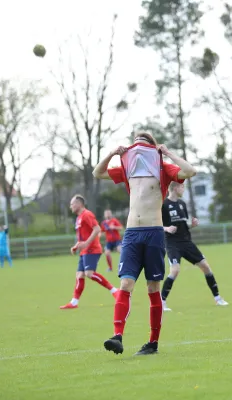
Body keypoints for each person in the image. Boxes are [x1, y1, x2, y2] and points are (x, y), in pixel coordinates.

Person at [92, 132, 196, 356]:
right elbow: (97, 173)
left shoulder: (163, 169)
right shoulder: (128, 169)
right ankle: (117, 336)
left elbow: (189, 171)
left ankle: (153, 343)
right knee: (126, 284)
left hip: (154, 233)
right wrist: (112, 153)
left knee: (152, 288)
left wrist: (167, 153)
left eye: (143, 143)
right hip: (131, 234)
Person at [161, 182, 228, 311]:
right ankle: (162, 302)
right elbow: (156, 225)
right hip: (172, 243)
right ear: (175, 188)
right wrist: (167, 228)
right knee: (175, 270)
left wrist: (192, 224)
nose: (183, 189)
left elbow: (184, 224)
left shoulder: (182, 204)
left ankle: (218, 298)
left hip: (187, 242)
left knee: (205, 267)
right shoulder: (164, 205)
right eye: (182, 187)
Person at [59, 195, 119, 310]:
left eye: (72, 204)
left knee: (89, 273)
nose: (70, 206)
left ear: (79, 204)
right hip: (84, 250)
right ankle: (74, 302)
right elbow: (82, 235)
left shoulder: (87, 214)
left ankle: (115, 291)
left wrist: (86, 243)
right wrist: (77, 245)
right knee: (79, 275)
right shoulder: (78, 218)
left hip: (92, 249)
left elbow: (97, 229)